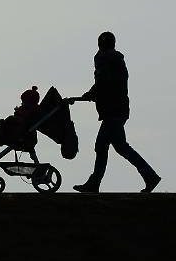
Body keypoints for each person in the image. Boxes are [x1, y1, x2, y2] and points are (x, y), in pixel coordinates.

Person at [68, 31, 160, 193]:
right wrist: (92, 94)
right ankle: (148, 176)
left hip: (113, 111)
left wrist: (92, 94)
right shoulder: (117, 59)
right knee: (117, 147)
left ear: (100, 44)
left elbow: (104, 81)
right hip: (119, 109)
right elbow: (106, 82)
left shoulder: (103, 58)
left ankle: (96, 182)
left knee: (105, 146)